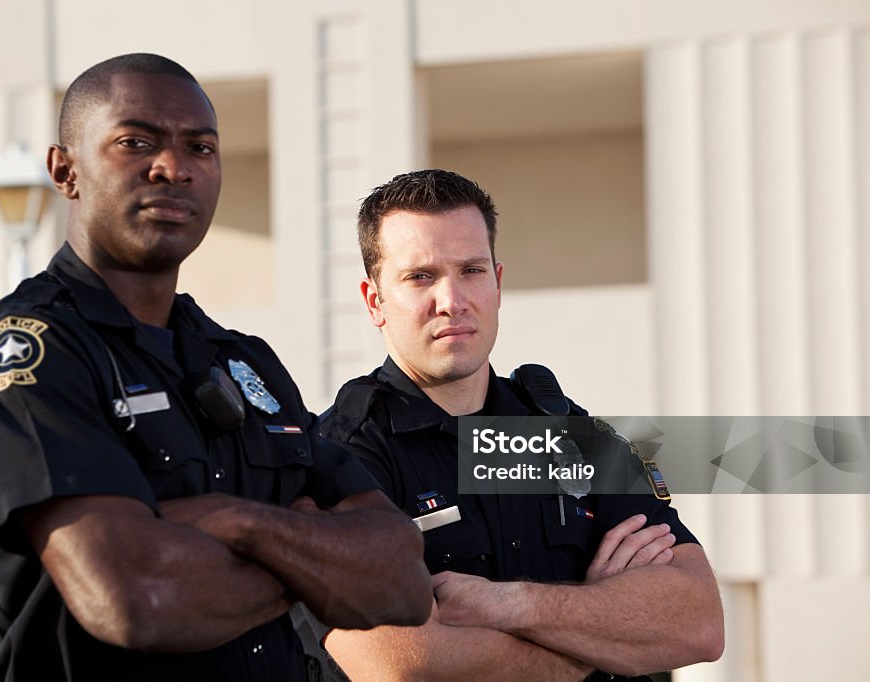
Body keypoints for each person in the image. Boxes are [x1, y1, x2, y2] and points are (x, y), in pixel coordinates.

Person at [0, 54, 432, 682]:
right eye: (135, 142)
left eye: (200, 147)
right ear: (66, 171)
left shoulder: (244, 362)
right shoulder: (30, 354)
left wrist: (240, 523)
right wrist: (315, 569)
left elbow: (402, 583)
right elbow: (134, 600)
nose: (173, 167)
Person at [304, 169, 724, 681]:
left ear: (498, 283)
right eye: (420, 277)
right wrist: (601, 635)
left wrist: (510, 604)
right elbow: (404, 667)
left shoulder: (566, 430)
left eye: (472, 270)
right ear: (375, 302)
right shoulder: (341, 457)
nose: (452, 300)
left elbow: (698, 622)